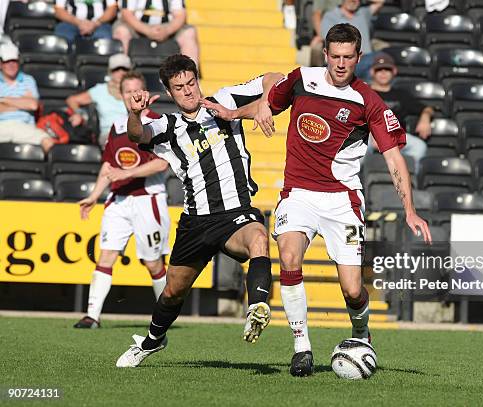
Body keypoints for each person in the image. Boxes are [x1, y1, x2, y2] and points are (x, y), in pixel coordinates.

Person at [256, 24, 431, 376]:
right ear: (325, 55)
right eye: (334, 56)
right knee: (289, 256)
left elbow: (394, 157)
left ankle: (360, 331)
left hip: (342, 201)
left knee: (352, 290)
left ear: (358, 58)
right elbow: (269, 90)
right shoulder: (302, 79)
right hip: (298, 193)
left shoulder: (368, 100)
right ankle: (301, 348)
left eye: (347, 57)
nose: (340, 64)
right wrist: (254, 106)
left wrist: (409, 210)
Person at [115, 54, 282, 368]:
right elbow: (138, 135)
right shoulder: (167, 126)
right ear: (169, 92)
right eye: (179, 87)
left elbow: (276, 78)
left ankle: (257, 308)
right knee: (173, 292)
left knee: (259, 236)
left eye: (191, 83)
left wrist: (256, 106)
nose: (188, 91)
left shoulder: (225, 100)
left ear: (198, 80)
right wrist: (133, 113)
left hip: (235, 214)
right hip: (196, 222)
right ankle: (152, 341)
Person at [74, 70, 170, 329]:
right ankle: (91, 316)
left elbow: (161, 165)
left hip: (147, 200)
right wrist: (94, 196)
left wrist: (124, 173)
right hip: (118, 200)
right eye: (127, 91)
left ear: (145, 93)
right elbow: (108, 165)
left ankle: (166, 314)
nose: (132, 95)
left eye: (137, 90)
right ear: (122, 95)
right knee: (106, 256)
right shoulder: (117, 126)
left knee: (153, 263)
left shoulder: (158, 122)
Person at [368, 52, 433, 171]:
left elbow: (427, 108)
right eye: (379, 69)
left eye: (387, 69)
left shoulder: (401, 95)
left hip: (395, 136)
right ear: (372, 72)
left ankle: (409, 180)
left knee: (419, 146)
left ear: (394, 71)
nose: (383, 72)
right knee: (360, 144)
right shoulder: (365, 92)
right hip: (369, 135)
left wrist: (425, 118)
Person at [66, 53, 132, 146]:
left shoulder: (135, 90)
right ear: (110, 71)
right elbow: (72, 100)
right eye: (116, 69)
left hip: (130, 134)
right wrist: (80, 114)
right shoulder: (100, 90)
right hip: (108, 134)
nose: (121, 72)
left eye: (124, 69)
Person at [0, 43, 54, 152]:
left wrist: (3, 100)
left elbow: (33, 105)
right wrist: (22, 102)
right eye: (7, 62)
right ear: (0, 64)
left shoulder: (28, 80)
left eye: (14, 61)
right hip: (1, 126)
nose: (11, 65)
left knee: (48, 142)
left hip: (24, 126)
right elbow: (28, 104)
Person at [112, 0, 199, 65]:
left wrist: (167, 30)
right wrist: (147, 30)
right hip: (136, 25)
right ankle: (121, 76)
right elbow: (126, 13)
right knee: (121, 32)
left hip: (166, 26)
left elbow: (180, 15)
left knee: (189, 33)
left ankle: (191, 79)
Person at [319, 0, 385, 79]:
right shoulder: (330, 15)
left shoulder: (364, 12)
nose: (353, 1)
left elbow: (380, 2)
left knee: (382, 61)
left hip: (365, 58)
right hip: (344, 60)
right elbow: (329, 39)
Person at [53, 0, 117, 46]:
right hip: (71, 23)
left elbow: (112, 9)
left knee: (104, 40)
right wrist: (79, 23)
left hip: (100, 24)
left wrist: (96, 23)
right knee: (62, 40)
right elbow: (59, 11)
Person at [310, 0, 342, 66]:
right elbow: (316, 14)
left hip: (349, 32)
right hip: (329, 35)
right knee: (316, 47)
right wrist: (321, 36)